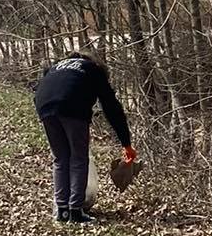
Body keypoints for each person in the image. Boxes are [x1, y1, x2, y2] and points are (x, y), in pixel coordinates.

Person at [33, 49, 136, 224]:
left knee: (60, 158)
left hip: (45, 106)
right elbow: (112, 108)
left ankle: (62, 211)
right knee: (79, 158)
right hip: (73, 107)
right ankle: (75, 211)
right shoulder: (93, 69)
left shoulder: (55, 67)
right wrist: (126, 143)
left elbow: (40, 91)